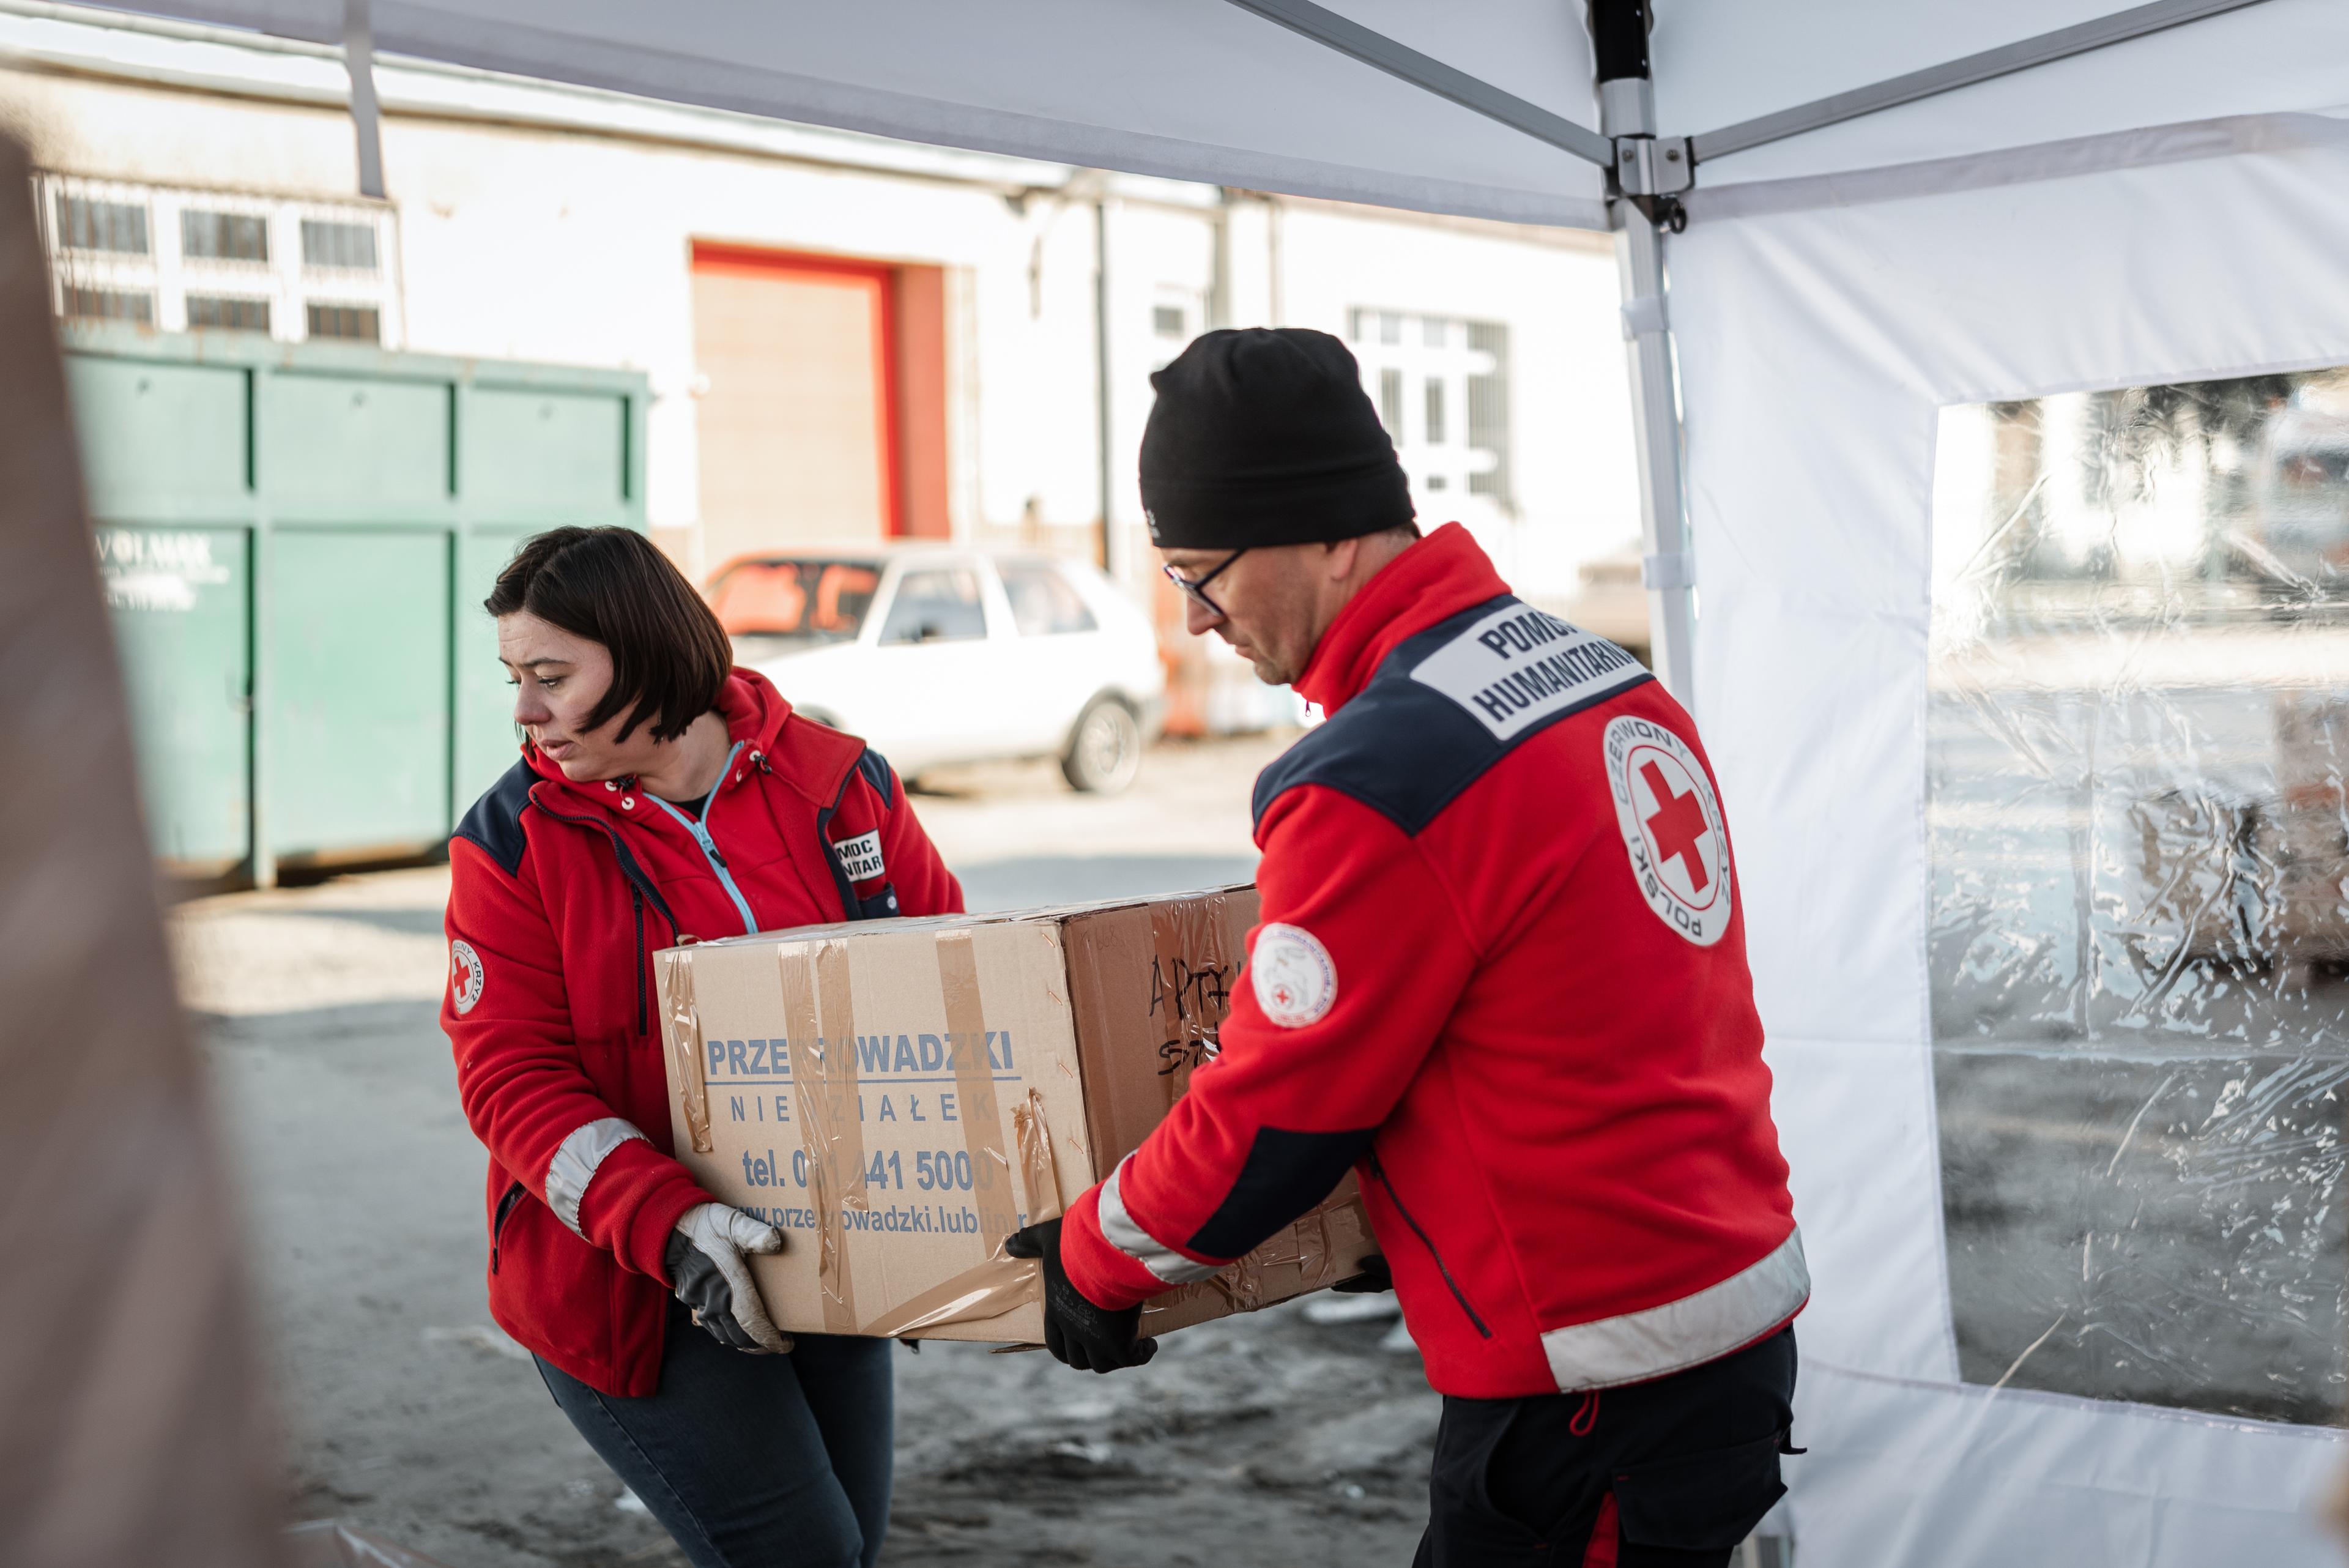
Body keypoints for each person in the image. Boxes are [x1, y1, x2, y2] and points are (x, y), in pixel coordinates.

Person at [1005, 329, 1806, 1567]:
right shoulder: (1606, 680)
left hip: (1593, 1380)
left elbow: (1278, 1113)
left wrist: (1095, 1251)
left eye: (1201, 572)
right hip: (1715, 1319)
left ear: (1328, 533)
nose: (1200, 619)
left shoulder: (1380, 776)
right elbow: (1572, 1006)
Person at [441, 526, 963, 1568]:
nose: (525, 712)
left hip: (828, 1259)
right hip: (633, 1280)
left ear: (645, 656)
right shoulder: (514, 839)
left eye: (551, 676)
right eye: (514, 677)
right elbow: (509, 1076)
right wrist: (668, 1222)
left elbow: (949, 989)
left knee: (844, 1551)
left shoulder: (841, 784)